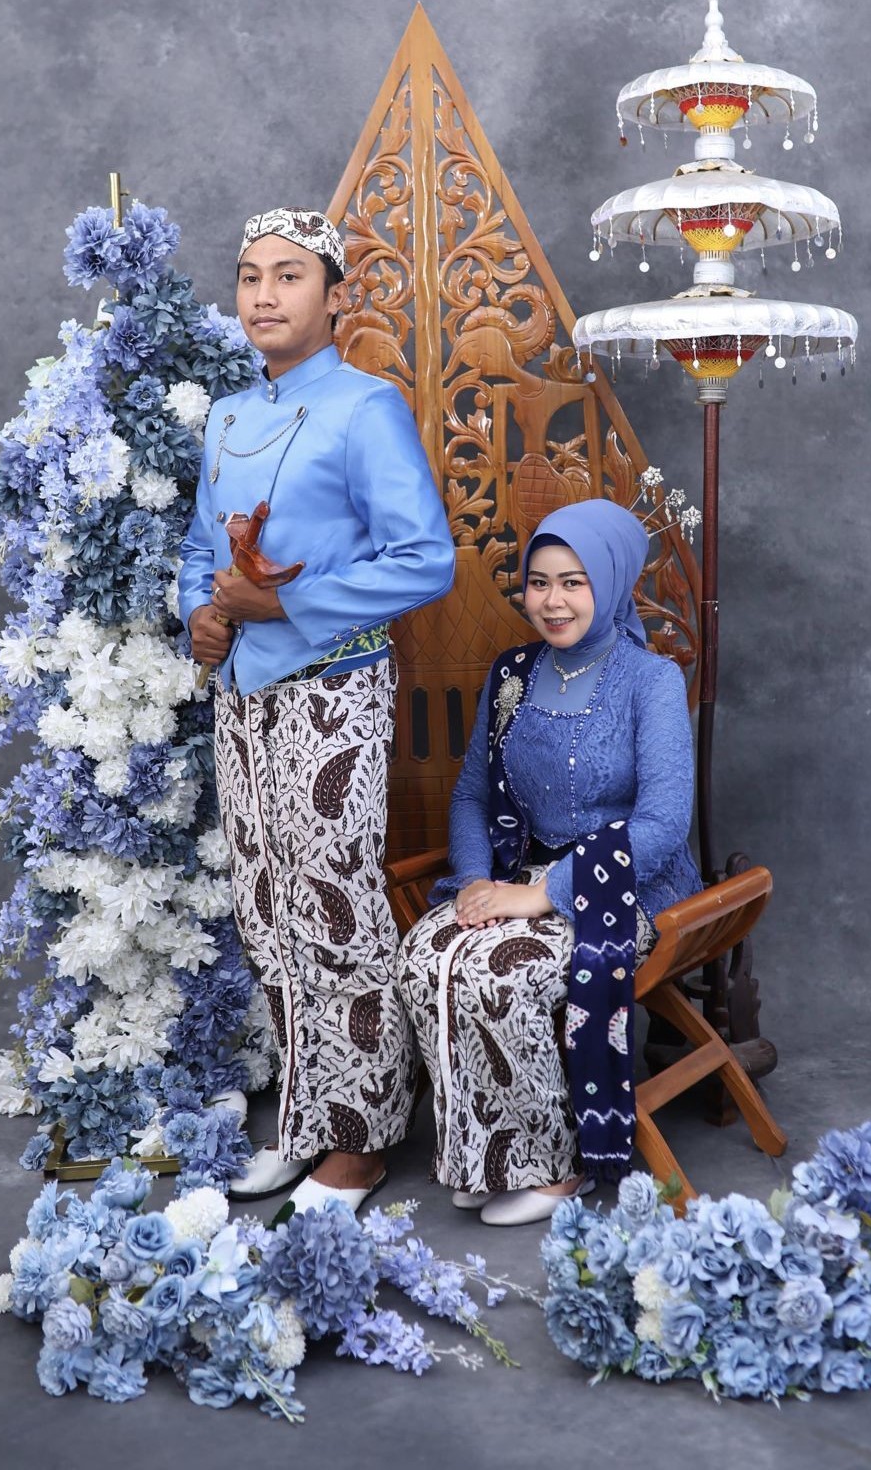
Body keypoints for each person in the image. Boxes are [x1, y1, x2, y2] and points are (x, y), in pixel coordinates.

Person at [179, 207, 455, 1212]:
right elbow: (199, 552)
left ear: (336, 297)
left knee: (334, 905)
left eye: (288, 276)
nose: (263, 295)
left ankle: (361, 1138)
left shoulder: (366, 407)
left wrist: (287, 604)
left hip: (333, 689)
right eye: (249, 276)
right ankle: (305, 1120)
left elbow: (425, 559)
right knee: (264, 910)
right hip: (243, 698)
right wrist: (200, 616)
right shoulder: (227, 417)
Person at [395, 498, 702, 1225]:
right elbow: (472, 795)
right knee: (425, 957)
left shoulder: (651, 681)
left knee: (502, 972)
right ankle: (486, 1156)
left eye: (573, 582)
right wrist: (477, 880)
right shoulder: (513, 674)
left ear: (611, 582)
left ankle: (556, 1167)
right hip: (516, 874)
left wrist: (542, 896)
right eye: (539, 582)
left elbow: (663, 824)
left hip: (629, 887)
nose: (552, 601)